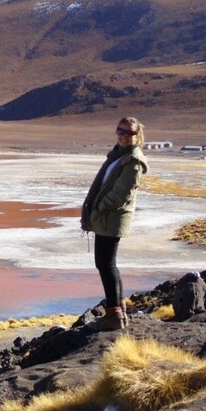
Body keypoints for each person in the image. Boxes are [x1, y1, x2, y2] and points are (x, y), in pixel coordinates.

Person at [81, 117, 149, 331]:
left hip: (111, 217)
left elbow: (121, 194)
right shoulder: (117, 156)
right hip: (107, 217)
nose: (124, 135)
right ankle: (118, 311)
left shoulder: (133, 162)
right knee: (107, 264)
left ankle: (114, 315)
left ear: (137, 136)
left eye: (129, 133)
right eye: (121, 130)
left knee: (105, 264)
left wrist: (99, 208)